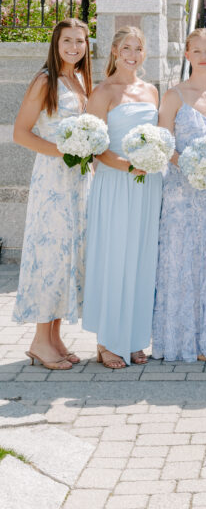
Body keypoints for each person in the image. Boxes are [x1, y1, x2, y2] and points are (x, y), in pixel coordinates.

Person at [152, 28, 206, 362]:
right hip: (180, 191)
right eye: (196, 51)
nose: (203, 56)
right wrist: (189, 166)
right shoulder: (174, 95)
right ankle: (179, 340)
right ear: (186, 55)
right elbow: (163, 141)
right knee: (180, 261)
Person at [13, 19, 92, 369]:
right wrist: (63, 150)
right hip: (53, 182)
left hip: (79, 182)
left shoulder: (79, 80)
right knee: (50, 256)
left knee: (67, 256)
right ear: (55, 44)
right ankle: (38, 340)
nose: (74, 47)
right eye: (67, 41)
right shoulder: (45, 80)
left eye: (80, 41)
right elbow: (20, 133)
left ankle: (54, 339)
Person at [82, 26, 161, 368]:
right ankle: (107, 341)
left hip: (148, 185)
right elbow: (93, 146)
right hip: (115, 182)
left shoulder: (152, 91)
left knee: (141, 258)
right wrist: (129, 166)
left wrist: (152, 161)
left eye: (138, 48)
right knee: (114, 258)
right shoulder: (103, 92)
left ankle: (132, 338)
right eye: (126, 47)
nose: (132, 54)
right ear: (114, 51)